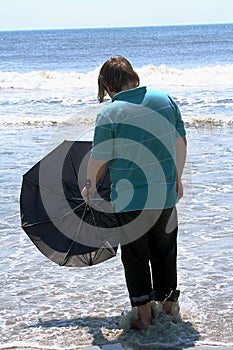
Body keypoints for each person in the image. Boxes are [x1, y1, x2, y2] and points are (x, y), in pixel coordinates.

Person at [81, 56, 187, 329]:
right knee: (165, 252)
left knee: (136, 257)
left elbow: (100, 158)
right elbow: (181, 141)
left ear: (106, 85)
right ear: (133, 76)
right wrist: (177, 177)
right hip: (164, 196)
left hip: (130, 201)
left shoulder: (109, 113)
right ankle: (168, 310)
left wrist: (90, 186)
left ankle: (143, 317)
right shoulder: (164, 99)